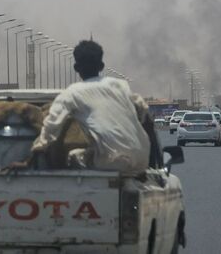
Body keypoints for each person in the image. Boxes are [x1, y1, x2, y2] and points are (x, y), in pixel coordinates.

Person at [30, 40, 151, 174]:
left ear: (76, 68)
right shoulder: (120, 85)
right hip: (142, 159)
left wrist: (37, 149)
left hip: (112, 162)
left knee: (74, 156)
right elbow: (142, 107)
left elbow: (52, 125)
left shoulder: (72, 93)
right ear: (101, 66)